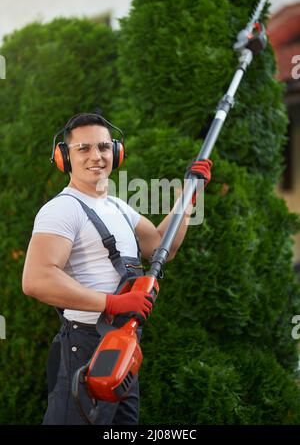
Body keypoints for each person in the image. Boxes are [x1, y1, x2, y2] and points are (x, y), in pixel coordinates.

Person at [22, 112, 212, 425]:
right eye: (83, 149)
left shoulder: (117, 207)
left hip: (121, 345)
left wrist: (189, 196)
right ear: (63, 158)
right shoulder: (62, 209)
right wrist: (113, 303)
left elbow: (161, 245)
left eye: (104, 147)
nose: (96, 156)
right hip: (82, 348)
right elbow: (37, 280)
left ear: (117, 152)